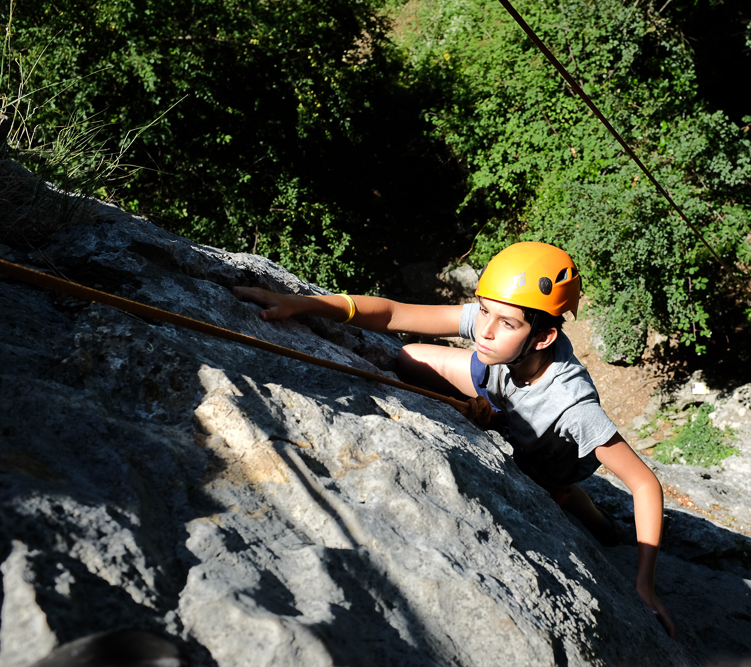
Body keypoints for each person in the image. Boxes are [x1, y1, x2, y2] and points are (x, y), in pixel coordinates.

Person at [234, 242, 677, 639]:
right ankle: (565, 487)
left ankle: (606, 530)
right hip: (501, 390)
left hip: (545, 455)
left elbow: (643, 484)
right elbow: (394, 313)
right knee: (410, 358)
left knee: (562, 493)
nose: (484, 329)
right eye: (483, 311)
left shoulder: (573, 408)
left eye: (504, 322)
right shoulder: (501, 331)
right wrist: (301, 304)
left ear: (543, 336)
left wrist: (644, 584)